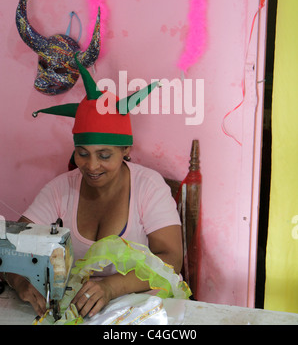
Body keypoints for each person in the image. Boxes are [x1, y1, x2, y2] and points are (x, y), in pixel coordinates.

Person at [1, 56, 182, 319]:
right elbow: (12, 246)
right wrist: (21, 283)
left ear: (126, 149)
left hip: (145, 311)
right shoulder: (60, 189)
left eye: (104, 155)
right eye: (82, 153)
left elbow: (171, 259)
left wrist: (111, 287)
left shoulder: (148, 187)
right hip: (81, 312)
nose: (91, 166)